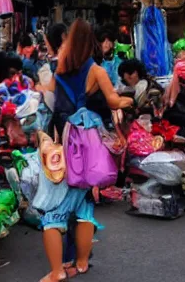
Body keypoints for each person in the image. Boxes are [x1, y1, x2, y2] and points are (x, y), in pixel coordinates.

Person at [39, 19, 131, 282]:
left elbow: (51, 105)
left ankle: (59, 269)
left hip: (63, 138)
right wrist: (129, 98)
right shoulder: (96, 71)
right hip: (86, 138)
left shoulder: (58, 70)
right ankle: (80, 262)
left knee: (57, 203)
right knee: (84, 206)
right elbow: (113, 101)